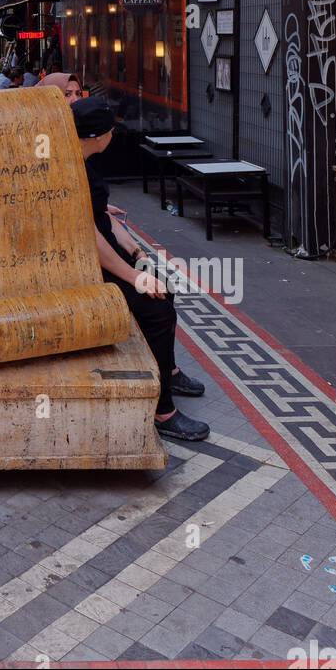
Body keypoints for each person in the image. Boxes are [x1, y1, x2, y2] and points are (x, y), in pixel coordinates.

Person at [71, 97, 209, 444]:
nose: (114, 134)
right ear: (98, 135)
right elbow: (89, 235)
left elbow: (102, 217)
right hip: (88, 261)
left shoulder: (84, 161)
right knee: (157, 306)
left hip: (105, 250)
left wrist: (134, 249)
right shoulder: (73, 170)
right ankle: (163, 410)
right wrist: (133, 275)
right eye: (111, 129)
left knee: (163, 288)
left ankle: (170, 372)